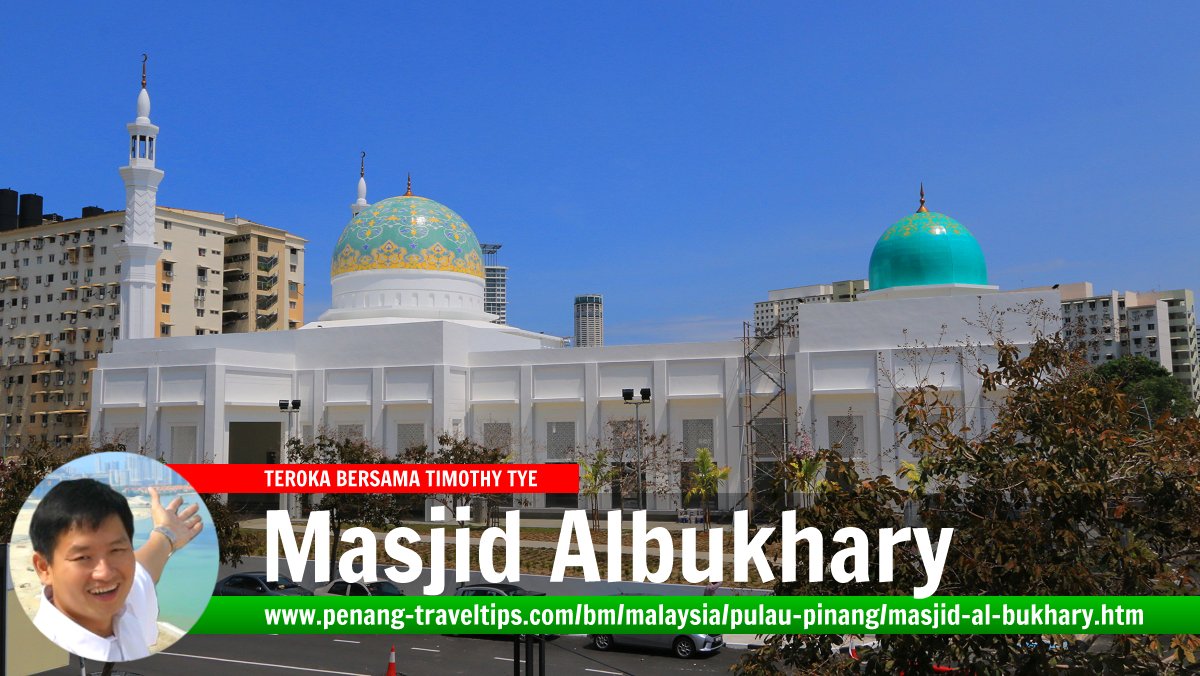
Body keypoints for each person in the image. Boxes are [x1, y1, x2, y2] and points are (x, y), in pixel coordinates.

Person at [29, 478, 203, 662]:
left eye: (116, 550)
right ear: (44, 568)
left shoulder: (124, 604)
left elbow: (143, 570)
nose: (105, 573)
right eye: (83, 557)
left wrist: (167, 533)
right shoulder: (43, 656)